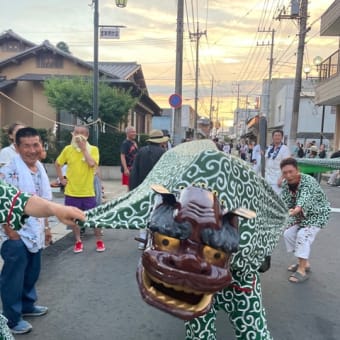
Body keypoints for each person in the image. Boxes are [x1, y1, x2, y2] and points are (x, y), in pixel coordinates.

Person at [0, 127, 85, 335]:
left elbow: (43, 201)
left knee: (32, 272)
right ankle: (11, 318)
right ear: (18, 148)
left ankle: (27, 306)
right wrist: (11, 232)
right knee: (13, 278)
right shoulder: (9, 171)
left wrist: (46, 228)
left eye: (36, 145)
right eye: (26, 146)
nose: (32, 150)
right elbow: (4, 202)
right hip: (15, 234)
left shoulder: (39, 168)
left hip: (35, 230)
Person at [55, 125, 105, 253]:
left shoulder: (93, 149)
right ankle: (78, 241)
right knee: (73, 219)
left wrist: (84, 150)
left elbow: (92, 164)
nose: (78, 136)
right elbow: (58, 163)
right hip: (71, 191)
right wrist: (61, 178)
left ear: (87, 136)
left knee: (94, 218)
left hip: (88, 192)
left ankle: (99, 240)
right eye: (76, 133)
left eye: (81, 133)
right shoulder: (68, 149)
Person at [280, 157, 330, 283]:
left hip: (317, 214)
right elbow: (285, 201)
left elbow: (304, 197)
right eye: (285, 173)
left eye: (291, 171)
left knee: (303, 236)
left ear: (298, 170)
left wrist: (296, 209)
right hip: (301, 216)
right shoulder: (286, 184)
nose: (288, 175)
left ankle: (302, 270)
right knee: (288, 234)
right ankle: (304, 263)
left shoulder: (308, 180)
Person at [129, 129, 169, 249]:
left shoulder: (141, 151)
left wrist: (133, 189)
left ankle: (142, 240)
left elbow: (134, 171)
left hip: (143, 187)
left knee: (144, 212)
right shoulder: (164, 152)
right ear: (161, 141)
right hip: (159, 188)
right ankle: (154, 241)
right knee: (157, 212)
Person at [265, 129, 290, 194]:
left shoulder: (285, 149)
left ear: (282, 137)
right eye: (275, 135)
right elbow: (266, 161)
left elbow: (287, 165)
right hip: (268, 178)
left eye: (279, 135)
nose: (277, 137)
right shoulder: (270, 148)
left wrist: (282, 178)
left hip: (277, 179)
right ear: (273, 137)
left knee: (276, 198)